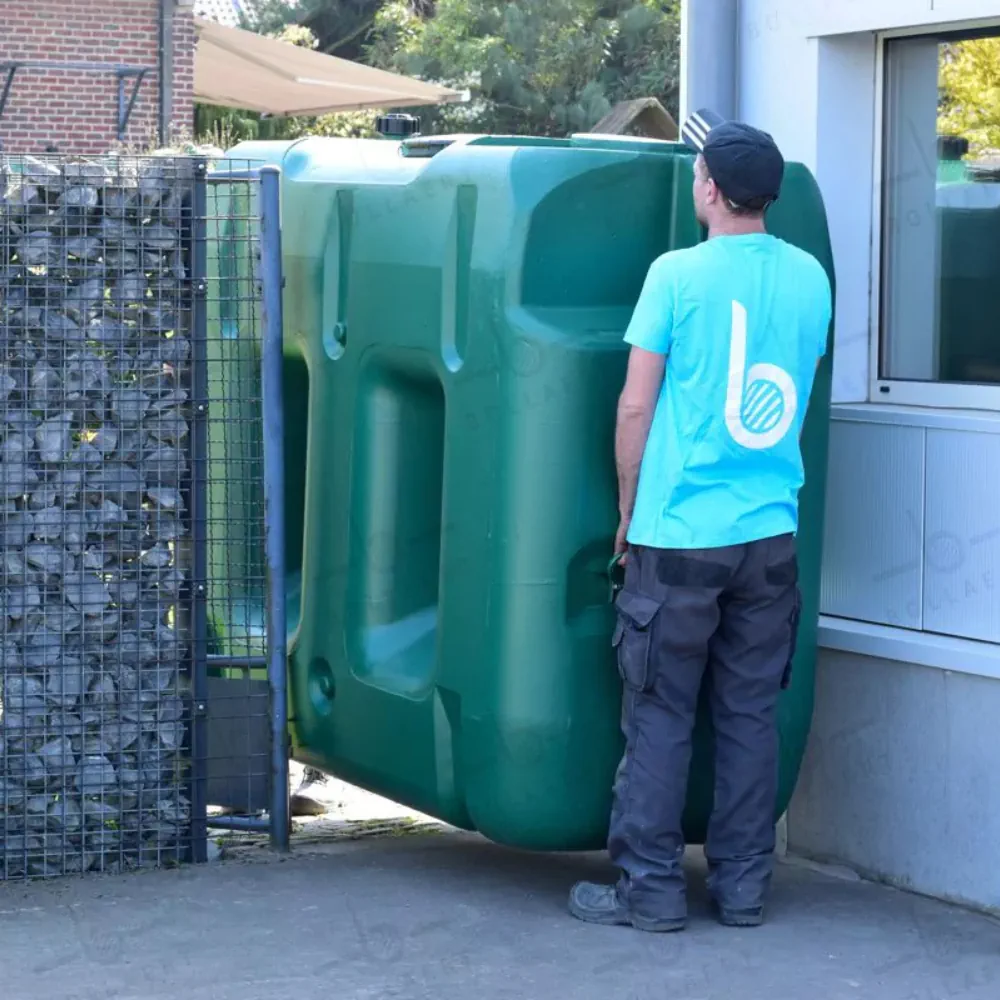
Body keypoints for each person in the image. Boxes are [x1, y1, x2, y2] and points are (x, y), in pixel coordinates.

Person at [568, 109, 832, 932]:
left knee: (659, 713)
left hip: (680, 534)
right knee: (749, 716)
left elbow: (636, 403)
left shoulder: (675, 274)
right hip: (770, 537)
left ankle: (649, 892)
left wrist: (625, 507)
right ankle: (744, 888)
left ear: (711, 190)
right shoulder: (812, 278)